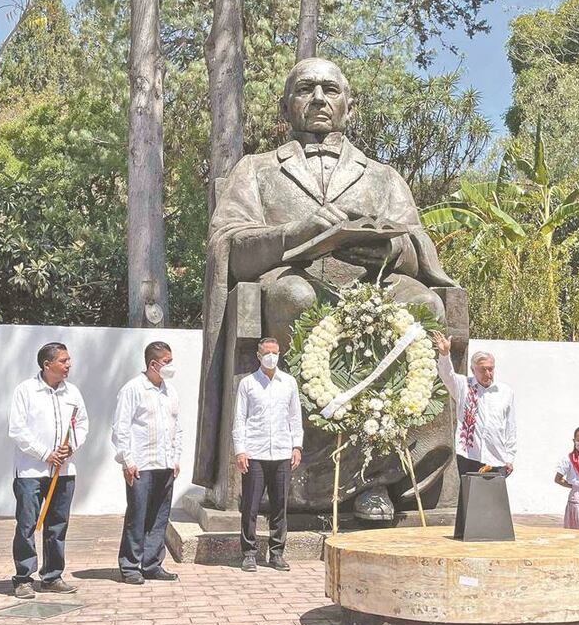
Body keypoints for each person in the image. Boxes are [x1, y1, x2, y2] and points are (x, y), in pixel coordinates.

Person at [195, 56, 458, 521]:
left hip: (373, 286)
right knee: (294, 298)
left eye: (330, 90)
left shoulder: (382, 177)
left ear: (349, 107)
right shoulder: (255, 171)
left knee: (425, 303)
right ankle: (300, 480)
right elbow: (227, 244)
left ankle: (383, 479)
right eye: (305, 89)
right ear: (285, 106)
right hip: (293, 282)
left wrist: (392, 251)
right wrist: (294, 234)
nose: (318, 98)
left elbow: (419, 243)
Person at [7, 342, 89, 598]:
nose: (69, 365)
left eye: (68, 360)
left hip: (63, 472)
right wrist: (45, 454)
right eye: (63, 361)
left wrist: (70, 448)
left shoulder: (72, 393)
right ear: (47, 364)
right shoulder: (26, 391)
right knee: (28, 524)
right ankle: (23, 578)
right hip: (31, 472)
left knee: (57, 526)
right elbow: (18, 430)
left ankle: (52, 576)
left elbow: (82, 424)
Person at [111, 341, 184, 584]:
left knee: (160, 516)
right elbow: (120, 428)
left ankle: (152, 563)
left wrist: (175, 457)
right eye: (167, 362)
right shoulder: (132, 389)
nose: (170, 366)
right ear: (153, 364)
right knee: (137, 516)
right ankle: (130, 565)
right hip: (141, 464)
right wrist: (127, 461)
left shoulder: (170, 391)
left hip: (165, 464)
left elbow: (177, 427)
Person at [234, 337, 303, 572]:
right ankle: (249, 553)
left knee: (279, 505)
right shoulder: (248, 384)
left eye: (275, 352)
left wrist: (297, 446)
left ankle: (276, 553)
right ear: (258, 355)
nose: (271, 356)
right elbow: (239, 419)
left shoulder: (289, 383)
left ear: (279, 353)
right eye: (266, 352)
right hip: (255, 452)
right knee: (250, 505)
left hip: (282, 452)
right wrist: (240, 450)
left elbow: (295, 417)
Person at [430, 331, 518, 477]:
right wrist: (445, 354)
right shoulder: (464, 386)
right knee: (468, 498)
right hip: (469, 457)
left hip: (497, 459)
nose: (488, 373)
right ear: (473, 370)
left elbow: (510, 427)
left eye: (491, 369)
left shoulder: (506, 392)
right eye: (483, 369)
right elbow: (447, 376)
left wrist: (510, 458)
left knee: (494, 499)